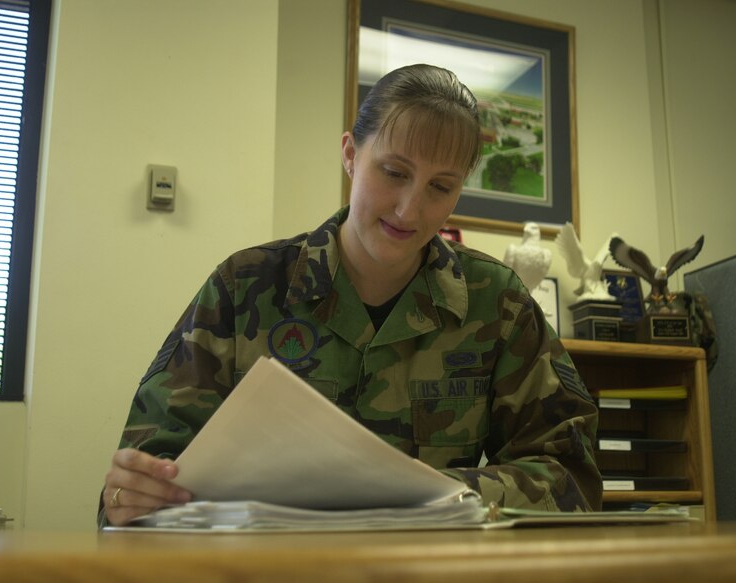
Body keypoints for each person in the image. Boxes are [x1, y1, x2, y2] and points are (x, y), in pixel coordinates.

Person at [100, 64, 601, 527]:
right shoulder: (244, 286)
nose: (409, 210)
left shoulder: (498, 303)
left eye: (440, 187)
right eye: (394, 172)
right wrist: (130, 495)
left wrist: (440, 494)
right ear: (349, 154)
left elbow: (571, 476)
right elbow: (148, 470)